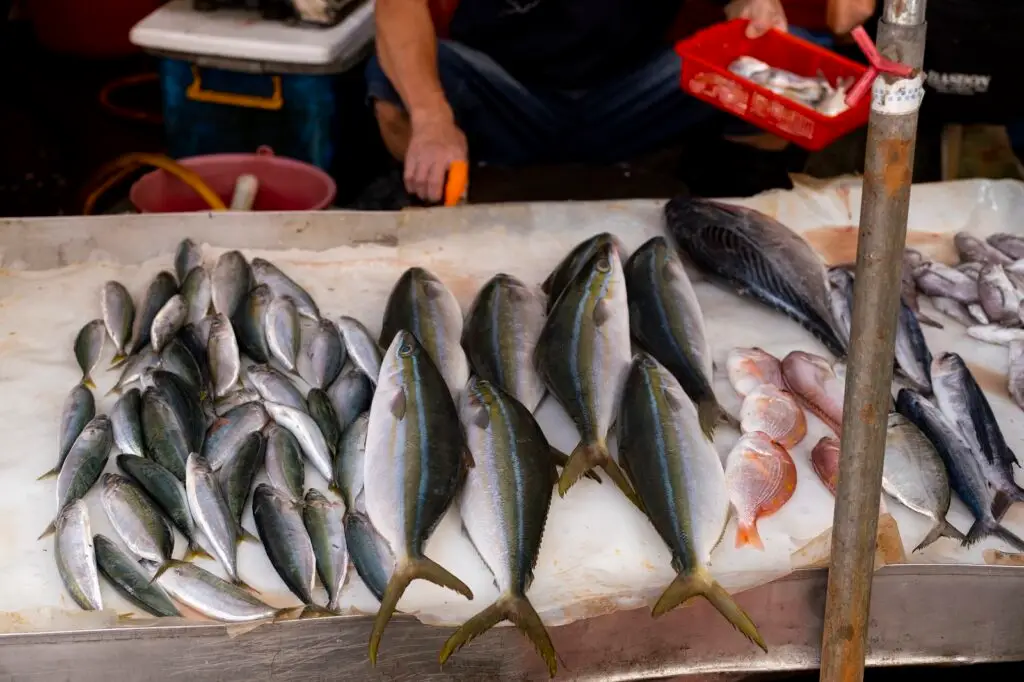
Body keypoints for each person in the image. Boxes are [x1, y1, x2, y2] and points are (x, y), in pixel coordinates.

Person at [366, 0, 789, 203]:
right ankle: (443, 202)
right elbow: (396, 8)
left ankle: (723, 219)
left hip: (634, 96)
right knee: (393, 80)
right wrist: (432, 117)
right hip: (509, 95)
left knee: (773, 81)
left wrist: (755, 7)